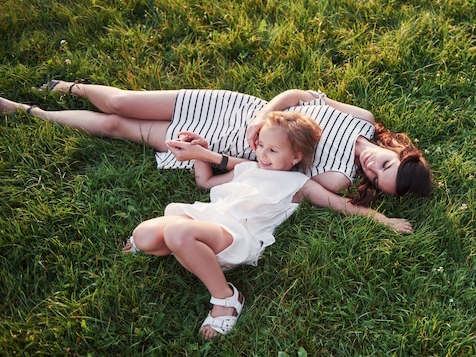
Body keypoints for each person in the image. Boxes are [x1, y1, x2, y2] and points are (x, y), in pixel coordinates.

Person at [0, 80, 432, 232]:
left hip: (220, 146)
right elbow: (300, 95)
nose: (373, 170)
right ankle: (70, 87)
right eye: (386, 165)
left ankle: (28, 111)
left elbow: (278, 178)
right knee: (120, 102)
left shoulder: (338, 177)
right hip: (232, 109)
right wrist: (264, 116)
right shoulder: (362, 119)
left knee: (116, 127)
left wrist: (381, 219)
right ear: (399, 151)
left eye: (377, 182)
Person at [125, 110, 322, 339]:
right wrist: (200, 152)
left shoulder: (298, 183)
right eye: (261, 146)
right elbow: (206, 182)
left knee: (178, 233)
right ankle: (190, 250)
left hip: (236, 234)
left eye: (273, 150)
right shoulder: (249, 168)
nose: (262, 155)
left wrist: (373, 215)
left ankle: (226, 297)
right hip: (209, 218)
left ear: (296, 157)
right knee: (143, 236)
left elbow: (342, 205)